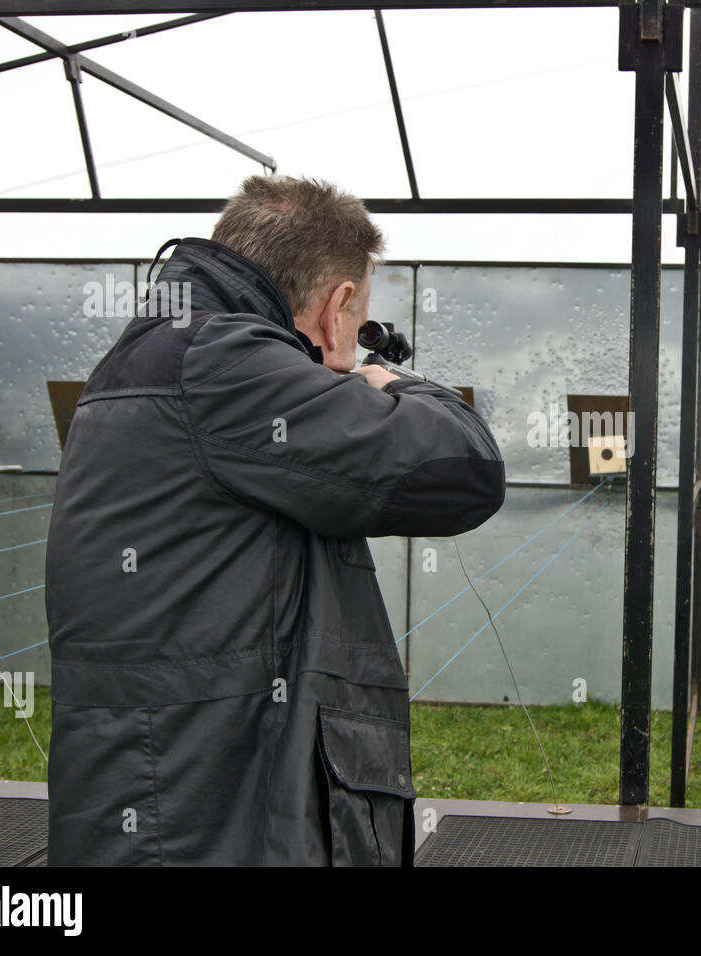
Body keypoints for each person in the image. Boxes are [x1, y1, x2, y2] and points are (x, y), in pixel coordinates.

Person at [44, 175, 505, 865]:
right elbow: (465, 468)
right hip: (207, 819)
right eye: (355, 325)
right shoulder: (222, 364)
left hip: (168, 803)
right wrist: (390, 380)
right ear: (336, 305)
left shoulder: (165, 349)